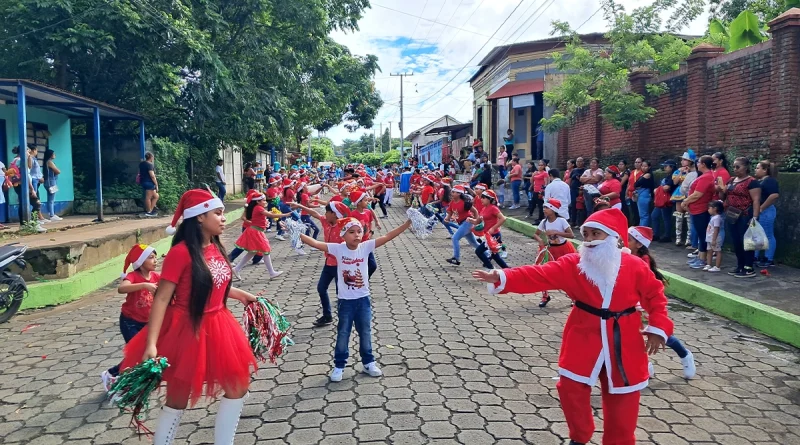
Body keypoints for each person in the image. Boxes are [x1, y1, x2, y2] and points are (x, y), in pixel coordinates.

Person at [473, 209, 672, 445]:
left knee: (623, 396)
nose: (588, 241)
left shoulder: (635, 266)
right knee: (570, 387)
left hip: (623, 338)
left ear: (612, 237)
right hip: (583, 332)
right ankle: (580, 435)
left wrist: (658, 328)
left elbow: (656, 297)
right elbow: (540, 275)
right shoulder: (575, 263)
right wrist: (502, 277)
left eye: (595, 234)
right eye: (585, 234)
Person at [120, 189, 259, 445]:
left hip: (220, 324)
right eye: (217, 213)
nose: (223, 218)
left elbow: (214, 284)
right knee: (178, 399)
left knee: (237, 388)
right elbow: (162, 298)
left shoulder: (216, 246)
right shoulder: (181, 253)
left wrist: (240, 295)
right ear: (198, 217)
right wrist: (151, 343)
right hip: (187, 330)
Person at [300, 217, 412, 382]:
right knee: (343, 333)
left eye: (359, 231)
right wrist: (297, 232)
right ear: (343, 235)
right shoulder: (338, 249)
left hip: (363, 300)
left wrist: (407, 223)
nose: (356, 235)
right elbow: (316, 244)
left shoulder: (366, 247)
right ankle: (339, 365)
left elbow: (388, 236)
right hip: (345, 302)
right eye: (351, 232)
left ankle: (368, 362)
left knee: (365, 332)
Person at [627, 226, 696, 379]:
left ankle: (685, 356)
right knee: (634, 337)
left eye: (628, 239)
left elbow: (644, 286)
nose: (623, 242)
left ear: (639, 245)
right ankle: (645, 367)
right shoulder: (624, 255)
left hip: (645, 305)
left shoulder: (642, 261)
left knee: (662, 334)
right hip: (630, 305)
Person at [101, 244, 159, 390]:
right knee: (136, 353)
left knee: (145, 353)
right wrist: (144, 285)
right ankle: (111, 374)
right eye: (151, 258)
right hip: (130, 322)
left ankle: (134, 379)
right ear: (140, 261)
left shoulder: (156, 276)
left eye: (155, 257)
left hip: (148, 323)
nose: (155, 260)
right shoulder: (133, 276)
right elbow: (122, 288)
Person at [720, 157, 761, 278]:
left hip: (744, 215)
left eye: (738, 167)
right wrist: (721, 189)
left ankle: (749, 267)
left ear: (746, 167)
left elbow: (756, 200)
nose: (735, 169)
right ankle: (740, 265)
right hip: (731, 214)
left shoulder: (752, 182)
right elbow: (723, 196)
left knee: (746, 241)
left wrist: (755, 217)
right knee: (736, 241)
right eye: (734, 167)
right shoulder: (732, 180)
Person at [230, 191, 283, 279]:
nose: (265, 202)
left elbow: (264, 216)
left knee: (253, 250)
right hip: (251, 230)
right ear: (257, 200)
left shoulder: (257, 208)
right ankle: (271, 272)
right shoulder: (252, 208)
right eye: (263, 200)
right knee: (244, 247)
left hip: (255, 230)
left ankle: (238, 267)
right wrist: (252, 222)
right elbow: (243, 218)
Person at [534, 199, 575, 308]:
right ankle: (545, 296)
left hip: (564, 249)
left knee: (568, 274)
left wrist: (556, 232)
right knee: (544, 273)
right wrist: (540, 240)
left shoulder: (561, 221)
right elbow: (536, 234)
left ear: (553, 209)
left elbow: (571, 235)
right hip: (550, 250)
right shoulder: (544, 222)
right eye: (544, 207)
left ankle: (574, 297)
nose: (544, 210)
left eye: (547, 208)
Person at [682, 155, 715, 270]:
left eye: (699, 162)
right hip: (697, 208)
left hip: (701, 209)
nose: (697, 164)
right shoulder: (705, 176)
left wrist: (685, 201)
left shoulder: (706, 177)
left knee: (702, 235)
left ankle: (702, 259)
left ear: (703, 164)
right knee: (701, 235)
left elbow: (698, 194)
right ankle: (700, 256)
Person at [470, 190, 509, 270]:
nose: (481, 199)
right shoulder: (484, 208)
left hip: (494, 235)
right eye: (481, 198)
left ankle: (490, 267)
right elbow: (478, 221)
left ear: (489, 199)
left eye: (483, 198)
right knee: (495, 256)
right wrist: (470, 220)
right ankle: (507, 270)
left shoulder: (494, 208)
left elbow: (503, 218)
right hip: (488, 235)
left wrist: (493, 228)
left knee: (479, 251)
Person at [445, 185, 480, 265]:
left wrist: (476, 221)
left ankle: (456, 258)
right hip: (462, 223)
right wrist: (447, 218)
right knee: (473, 243)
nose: (452, 193)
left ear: (459, 194)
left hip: (468, 222)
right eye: (452, 192)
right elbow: (450, 212)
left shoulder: (464, 203)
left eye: (454, 192)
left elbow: (475, 211)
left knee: (455, 238)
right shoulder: (452, 202)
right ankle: (488, 254)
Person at [350, 190, 382, 278]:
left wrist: (371, 233)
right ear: (358, 203)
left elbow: (369, 225)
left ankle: (364, 280)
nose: (367, 202)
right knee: (357, 264)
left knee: (372, 265)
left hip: (366, 244)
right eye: (365, 200)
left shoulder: (368, 212)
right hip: (357, 245)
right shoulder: (353, 215)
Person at [754, 160, 778, 267]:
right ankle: (756, 256)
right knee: (758, 234)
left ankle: (769, 258)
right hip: (760, 210)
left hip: (766, 211)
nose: (756, 170)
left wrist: (762, 208)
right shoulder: (760, 181)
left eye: (758, 168)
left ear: (765, 170)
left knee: (768, 235)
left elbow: (774, 195)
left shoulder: (770, 181)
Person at [672, 150, 697, 247]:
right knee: (679, 216)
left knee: (689, 216)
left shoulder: (695, 171)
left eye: (685, 160)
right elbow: (675, 182)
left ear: (690, 161)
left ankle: (689, 239)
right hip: (679, 192)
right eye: (682, 159)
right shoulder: (678, 170)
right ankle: (678, 238)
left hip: (690, 193)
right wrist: (681, 172)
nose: (682, 161)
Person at [651, 161, 677, 242]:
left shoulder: (673, 176)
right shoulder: (667, 176)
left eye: (666, 166)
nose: (665, 168)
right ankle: (656, 234)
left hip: (667, 200)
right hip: (661, 199)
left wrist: (658, 189)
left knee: (666, 218)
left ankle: (667, 236)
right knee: (654, 216)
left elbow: (667, 187)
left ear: (671, 167)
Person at [704, 200, 725, 272]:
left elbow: (716, 229)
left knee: (717, 251)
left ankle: (717, 266)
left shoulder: (717, 218)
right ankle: (708, 264)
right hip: (709, 237)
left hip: (715, 238)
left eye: (709, 208)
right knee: (709, 251)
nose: (708, 210)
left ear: (715, 209)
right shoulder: (713, 217)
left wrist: (714, 239)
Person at [43, 149, 62, 221]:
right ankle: (52, 215)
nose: (55, 155)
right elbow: (58, 171)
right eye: (53, 154)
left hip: (48, 181)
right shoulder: (50, 162)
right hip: (51, 182)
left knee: (50, 199)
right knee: (51, 199)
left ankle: (51, 213)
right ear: (50, 155)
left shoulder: (46, 162)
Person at [634, 160, 655, 227]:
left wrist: (638, 186)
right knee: (642, 214)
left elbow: (637, 184)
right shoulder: (643, 174)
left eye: (645, 166)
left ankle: (642, 231)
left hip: (644, 195)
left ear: (649, 167)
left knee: (644, 215)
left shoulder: (648, 175)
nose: (643, 167)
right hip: (641, 194)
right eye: (642, 166)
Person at [139, 152, 160, 217]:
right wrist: (156, 184)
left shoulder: (142, 164)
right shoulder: (150, 165)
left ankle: (150, 210)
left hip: (143, 182)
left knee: (156, 196)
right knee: (148, 197)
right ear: (151, 157)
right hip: (149, 183)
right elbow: (152, 176)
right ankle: (148, 212)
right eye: (153, 157)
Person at [569, 157, 585, 227]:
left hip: (580, 190)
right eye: (577, 161)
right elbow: (570, 179)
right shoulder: (574, 170)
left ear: (583, 162)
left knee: (580, 206)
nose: (578, 163)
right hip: (573, 189)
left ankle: (580, 222)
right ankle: (573, 221)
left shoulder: (585, 170)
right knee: (573, 204)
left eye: (580, 161)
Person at [625, 159, 642, 225]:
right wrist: (626, 193)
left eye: (639, 162)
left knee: (638, 211)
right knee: (633, 211)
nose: (637, 164)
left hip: (638, 194)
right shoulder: (632, 172)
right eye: (636, 162)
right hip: (631, 194)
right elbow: (629, 183)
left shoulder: (643, 172)